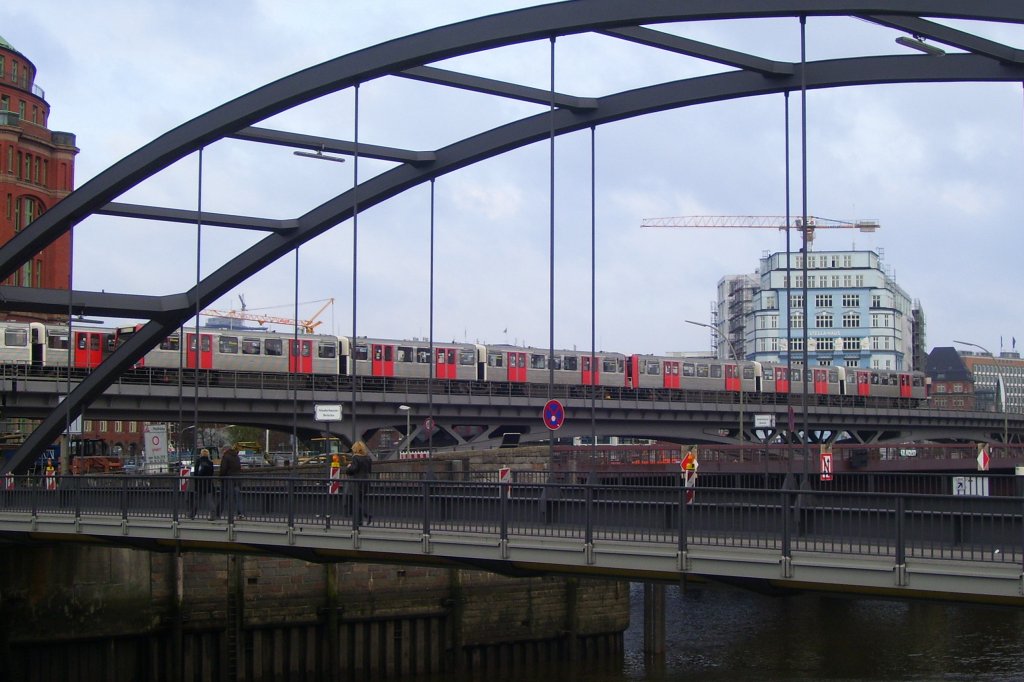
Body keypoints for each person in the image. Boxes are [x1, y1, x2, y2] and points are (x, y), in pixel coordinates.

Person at [345, 440, 373, 525]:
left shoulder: (355, 457)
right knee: (360, 500)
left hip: (357, 482)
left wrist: (349, 467)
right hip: (366, 481)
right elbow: (369, 470)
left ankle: (365, 516)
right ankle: (360, 520)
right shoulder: (368, 458)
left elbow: (354, 469)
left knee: (356, 501)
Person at [218, 446, 244, 519]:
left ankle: (217, 513)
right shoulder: (236, 457)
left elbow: (223, 469)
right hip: (236, 480)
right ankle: (240, 513)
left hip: (227, 480)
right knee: (237, 497)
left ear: (225, 450)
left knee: (223, 497)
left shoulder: (226, 457)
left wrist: (220, 477)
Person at [190, 448, 216, 519]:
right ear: (208, 454)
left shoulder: (198, 461)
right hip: (208, 484)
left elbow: (196, 473)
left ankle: (192, 514)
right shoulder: (210, 463)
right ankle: (213, 515)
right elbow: (211, 473)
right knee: (210, 501)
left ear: (201, 454)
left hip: (200, 484)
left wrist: (196, 484)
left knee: (197, 501)